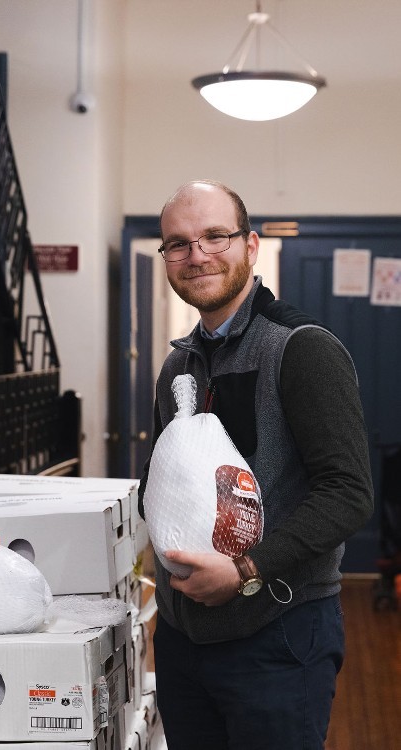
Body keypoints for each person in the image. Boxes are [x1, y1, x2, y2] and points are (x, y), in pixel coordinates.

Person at [137, 179, 374, 750]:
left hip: (277, 637)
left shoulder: (302, 349)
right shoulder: (179, 367)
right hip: (181, 641)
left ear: (250, 245)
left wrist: (246, 569)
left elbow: (347, 492)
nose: (197, 256)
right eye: (178, 243)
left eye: (214, 236)